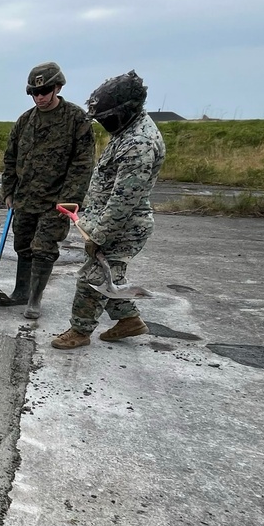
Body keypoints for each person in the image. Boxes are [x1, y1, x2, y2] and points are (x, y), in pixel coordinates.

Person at [52, 71, 166, 349]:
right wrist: (88, 215)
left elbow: (124, 200)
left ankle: (79, 331)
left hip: (123, 226)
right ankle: (129, 319)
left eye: (107, 118)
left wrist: (99, 235)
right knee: (109, 277)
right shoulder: (127, 131)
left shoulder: (139, 143)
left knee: (91, 280)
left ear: (126, 111)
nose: (104, 124)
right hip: (110, 221)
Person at [0, 61, 95, 318]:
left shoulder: (76, 119)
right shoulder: (25, 121)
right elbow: (10, 158)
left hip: (57, 200)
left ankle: (34, 300)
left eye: (44, 91)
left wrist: (71, 199)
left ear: (58, 87)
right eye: (34, 93)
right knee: (23, 246)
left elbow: (83, 163)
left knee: (43, 248)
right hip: (24, 199)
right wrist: (8, 191)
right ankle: (20, 292)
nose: (39, 97)